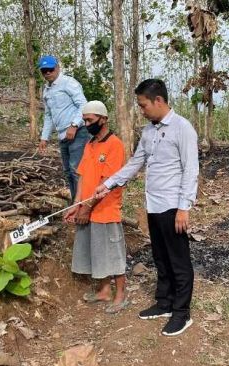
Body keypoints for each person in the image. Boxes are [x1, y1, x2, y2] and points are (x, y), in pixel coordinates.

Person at [94, 79, 199, 336]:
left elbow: (191, 170)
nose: (141, 110)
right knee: (160, 258)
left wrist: (184, 207)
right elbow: (135, 162)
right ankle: (164, 303)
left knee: (178, 261)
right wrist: (109, 184)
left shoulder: (182, 128)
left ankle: (181, 313)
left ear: (159, 101)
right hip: (153, 205)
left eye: (143, 105)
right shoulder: (149, 131)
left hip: (173, 206)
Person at [64, 100, 128, 314]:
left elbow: (107, 183)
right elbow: (82, 176)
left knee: (113, 253)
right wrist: (76, 204)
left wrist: (87, 208)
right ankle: (103, 291)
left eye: (90, 120)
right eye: (84, 120)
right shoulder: (90, 145)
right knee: (97, 253)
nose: (86, 123)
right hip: (87, 209)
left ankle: (120, 295)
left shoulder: (115, 145)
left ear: (103, 119)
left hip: (106, 210)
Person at [36, 55, 89, 201]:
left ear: (57, 68)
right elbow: (48, 115)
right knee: (67, 171)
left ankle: (82, 204)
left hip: (78, 133)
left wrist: (74, 125)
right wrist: (44, 137)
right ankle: (75, 202)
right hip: (63, 136)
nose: (47, 73)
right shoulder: (46, 90)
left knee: (76, 170)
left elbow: (83, 105)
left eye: (50, 69)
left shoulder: (68, 83)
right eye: (44, 70)